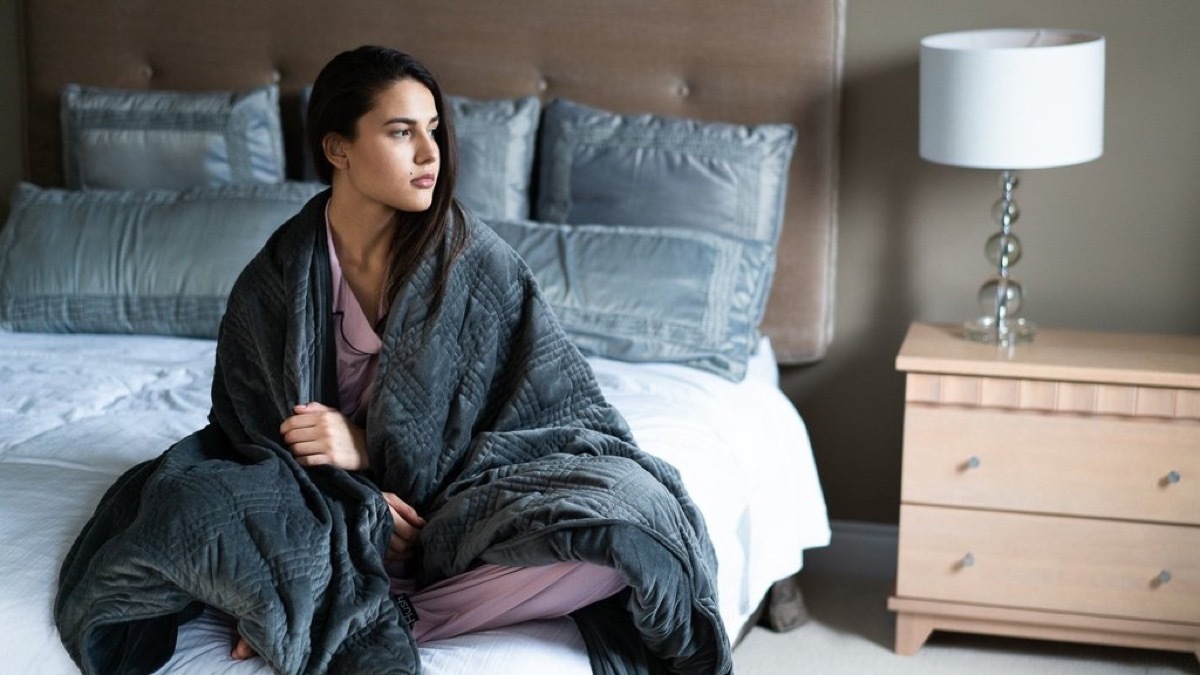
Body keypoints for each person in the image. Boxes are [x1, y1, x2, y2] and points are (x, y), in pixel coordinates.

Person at [230, 45, 629, 659]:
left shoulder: (476, 261)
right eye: (400, 132)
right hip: (336, 514)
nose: (429, 153)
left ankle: (370, 615)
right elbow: (249, 435)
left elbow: (551, 421)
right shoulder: (276, 276)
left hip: (462, 507)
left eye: (433, 130)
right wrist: (357, 504)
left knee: (619, 540)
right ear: (338, 148)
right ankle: (333, 584)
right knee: (190, 504)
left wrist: (370, 447)